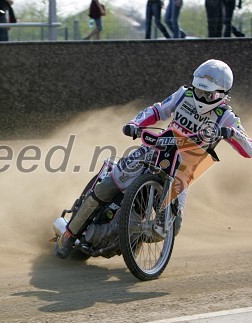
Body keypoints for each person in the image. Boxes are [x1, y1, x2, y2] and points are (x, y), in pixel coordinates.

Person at [56, 59, 252, 259]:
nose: (199, 96)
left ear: (221, 95)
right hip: (155, 150)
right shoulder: (184, 94)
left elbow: (249, 149)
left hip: (183, 169)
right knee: (108, 185)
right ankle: (70, 234)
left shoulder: (227, 117)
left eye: (206, 94)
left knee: (172, 228)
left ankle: (134, 238)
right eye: (198, 90)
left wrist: (232, 133)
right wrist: (134, 123)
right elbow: (158, 110)